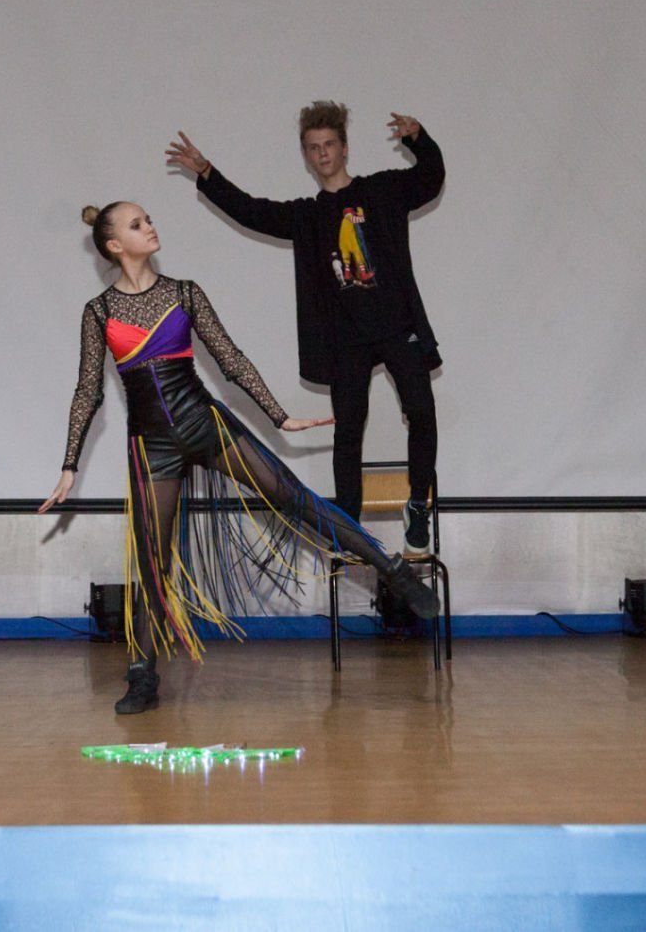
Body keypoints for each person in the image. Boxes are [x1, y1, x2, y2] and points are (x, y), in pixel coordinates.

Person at [39, 203, 440, 715]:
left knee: (292, 497)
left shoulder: (184, 293)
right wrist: (69, 465)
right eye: (137, 224)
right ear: (115, 245)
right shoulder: (99, 312)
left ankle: (392, 569)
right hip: (152, 446)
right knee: (152, 562)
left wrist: (278, 416)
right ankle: (142, 675)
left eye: (150, 218)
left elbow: (229, 359)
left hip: (206, 425)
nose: (151, 226)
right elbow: (87, 391)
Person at [166, 102, 443, 555]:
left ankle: (416, 504)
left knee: (422, 411)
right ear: (306, 156)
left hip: (398, 326)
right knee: (347, 431)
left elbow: (430, 178)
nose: (322, 154)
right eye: (313, 148)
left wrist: (418, 138)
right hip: (347, 339)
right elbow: (252, 211)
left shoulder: (382, 192)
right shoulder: (308, 216)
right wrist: (207, 173)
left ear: (345, 148)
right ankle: (349, 526)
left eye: (329, 145)